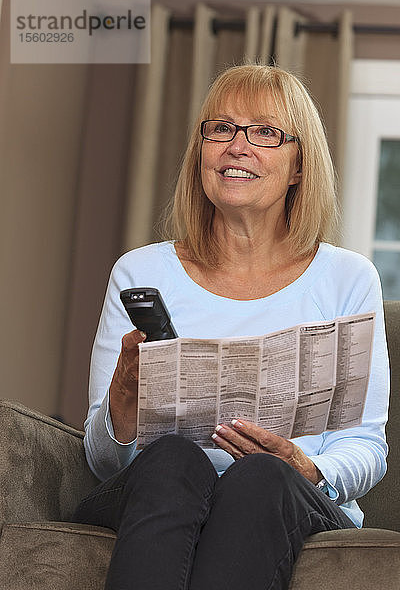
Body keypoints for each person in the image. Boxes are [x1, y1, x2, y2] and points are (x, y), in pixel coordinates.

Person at [74, 64, 390, 590]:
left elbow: (367, 448)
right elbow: (105, 462)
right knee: (173, 457)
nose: (236, 146)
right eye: (220, 128)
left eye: (264, 132)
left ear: (297, 166)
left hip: (287, 495)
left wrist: (305, 466)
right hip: (163, 487)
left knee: (264, 475)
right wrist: (122, 407)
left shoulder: (348, 278)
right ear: (201, 151)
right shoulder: (140, 273)